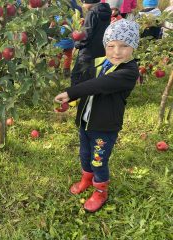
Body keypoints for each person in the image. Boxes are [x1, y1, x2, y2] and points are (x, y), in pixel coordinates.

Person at [54, 19, 140, 212]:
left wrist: (70, 92)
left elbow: (99, 85)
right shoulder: (101, 63)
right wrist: (72, 101)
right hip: (86, 122)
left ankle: (100, 191)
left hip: (104, 127)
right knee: (85, 154)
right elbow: (86, 85)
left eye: (124, 46)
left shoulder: (128, 71)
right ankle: (86, 179)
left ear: (133, 47)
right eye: (111, 46)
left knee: (98, 160)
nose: (117, 51)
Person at [70, 0, 111, 86]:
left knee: (77, 75)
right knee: (93, 74)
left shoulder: (92, 13)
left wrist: (77, 44)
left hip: (87, 51)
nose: (83, 5)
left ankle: (75, 96)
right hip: (100, 49)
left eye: (83, 2)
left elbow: (86, 35)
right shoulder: (106, 11)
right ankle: (90, 95)